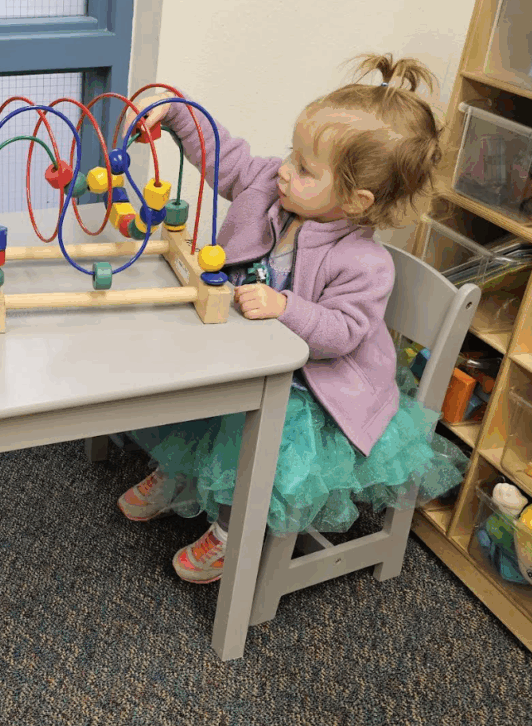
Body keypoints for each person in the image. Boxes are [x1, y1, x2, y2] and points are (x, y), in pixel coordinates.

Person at [117, 53, 468, 583]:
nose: (285, 169)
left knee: (258, 442)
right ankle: (181, 478)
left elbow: (345, 333)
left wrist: (286, 307)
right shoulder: (270, 190)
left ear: (355, 200)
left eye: (305, 168)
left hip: (313, 387)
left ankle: (232, 532)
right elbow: (225, 157)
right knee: (194, 398)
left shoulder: (365, 263)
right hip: (245, 354)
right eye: (291, 154)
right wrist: (174, 115)